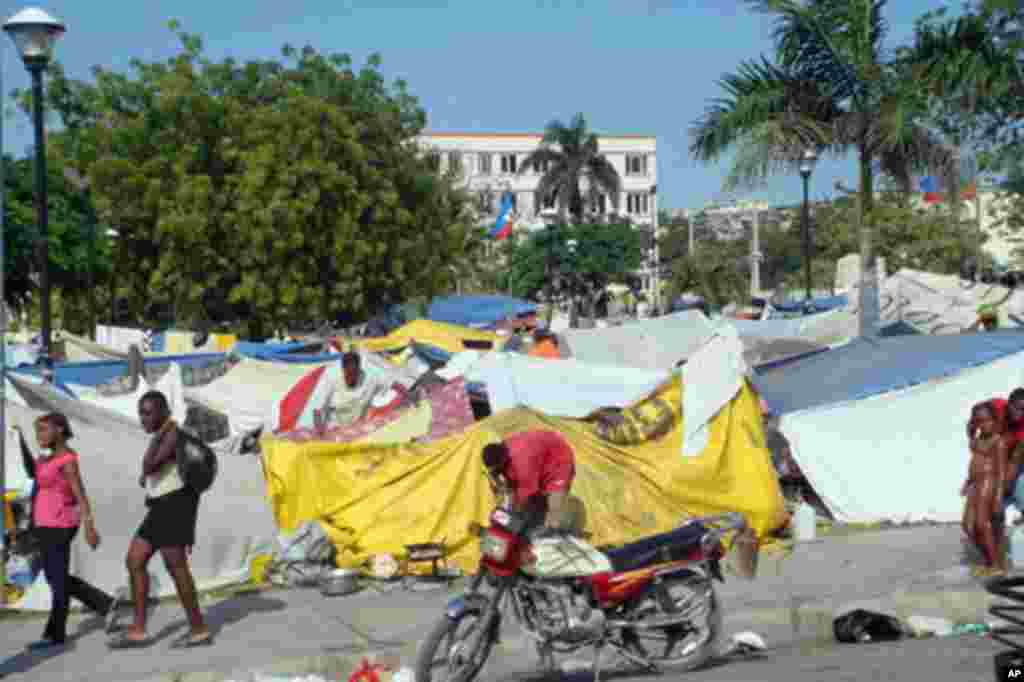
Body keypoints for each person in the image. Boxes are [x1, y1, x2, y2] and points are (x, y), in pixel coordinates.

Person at [109, 390, 212, 649]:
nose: (142, 418)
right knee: (135, 560)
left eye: (147, 412)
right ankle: (139, 629)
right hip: (160, 508)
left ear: (164, 411)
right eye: (140, 413)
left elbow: (149, 466)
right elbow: (152, 471)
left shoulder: (172, 435)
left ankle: (199, 630)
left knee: (176, 568)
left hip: (174, 508)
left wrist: (150, 462)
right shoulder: (164, 434)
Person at [17, 413, 117, 650]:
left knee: (57, 580)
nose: (38, 435)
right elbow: (34, 473)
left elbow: (81, 495)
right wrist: (20, 442)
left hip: (60, 524)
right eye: (36, 431)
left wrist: (89, 527)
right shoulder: (47, 459)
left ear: (59, 429)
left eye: (43, 430)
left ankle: (54, 634)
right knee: (55, 577)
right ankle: (103, 603)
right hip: (44, 524)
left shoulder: (68, 460)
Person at [482, 430, 576, 532]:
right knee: (526, 510)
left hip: (559, 457)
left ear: (503, 461)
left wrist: (512, 517)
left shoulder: (523, 462)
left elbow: (524, 494)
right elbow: (509, 490)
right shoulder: (501, 453)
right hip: (538, 455)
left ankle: (552, 536)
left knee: (554, 507)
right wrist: (499, 486)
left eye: (497, 468)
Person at [961, 401, 1010, 576]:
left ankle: (995, 564)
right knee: (967, 525)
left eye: (987, 420)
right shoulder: (978, 441)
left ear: (995, 420)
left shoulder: (998, 442)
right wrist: (967, 482)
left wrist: (998, 497)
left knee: (982, 523)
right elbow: (974, 459)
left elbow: (1002, 472)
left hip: (988, 482)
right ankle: (990, 559)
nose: (984, 425)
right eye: (979, 421)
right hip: (975, 484)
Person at [331, 351, 393, 427]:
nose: (352, 376)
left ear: (359, 369)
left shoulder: (370, 379)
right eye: (349, 373)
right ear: (343, 369)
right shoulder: (334, 384)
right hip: (338, 424)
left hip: (358, 422)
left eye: (355, 372)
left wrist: (409, 398)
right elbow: (318, 411)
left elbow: (394, 385)